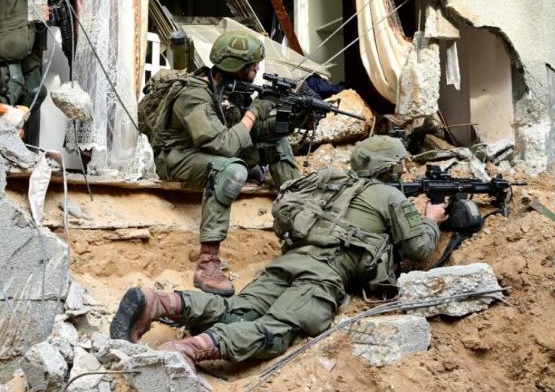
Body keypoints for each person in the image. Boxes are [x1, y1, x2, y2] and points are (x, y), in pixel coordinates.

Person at [110, 135, 447, 371]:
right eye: (399, 167)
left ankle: (160, 303)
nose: (403, 173)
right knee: (275, 331)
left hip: (287, 261)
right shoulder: (390, 196)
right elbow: (417, 248)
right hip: (323, 276)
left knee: (236, 308)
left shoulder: (328, 182)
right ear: (388, 169)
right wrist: (431, 220)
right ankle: (186, 350)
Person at [153, 31, 301, 296]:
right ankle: (207, 263)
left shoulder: (227, 88)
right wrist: (254, 112)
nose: (257, 69)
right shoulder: (194, 95)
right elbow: (223, 144)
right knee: (232, 171)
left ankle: (301, 224)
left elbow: (246, 131)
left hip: (211, 150)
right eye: (251, 66)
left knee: (276, 142)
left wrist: (289, 121)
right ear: (235, 67)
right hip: (178, 157)